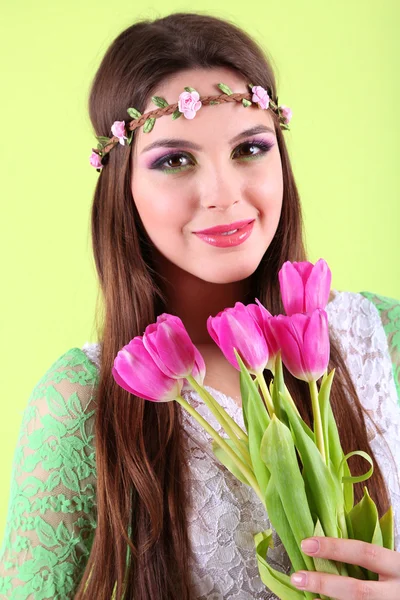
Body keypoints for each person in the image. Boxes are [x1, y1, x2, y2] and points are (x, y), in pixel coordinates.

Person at [0, 11, 399, 600]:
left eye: (250, 149)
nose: (223, 194)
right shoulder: (82, 402)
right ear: (122, 186)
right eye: (174, 160)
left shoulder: (381, 335)